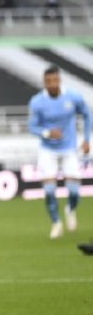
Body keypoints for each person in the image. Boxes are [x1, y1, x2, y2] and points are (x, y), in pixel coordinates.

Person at [28, 65, 90, 239]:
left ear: (60, 80)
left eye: (55, 80)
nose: (52, 84)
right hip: (48, 150)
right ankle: (56, 223)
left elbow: (87, 114)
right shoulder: (37, 102)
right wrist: (47, 133)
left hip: (69, 148)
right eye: (49, 81)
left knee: (74, 191)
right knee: (48, 191)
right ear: (44, 83)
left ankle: (70, 209)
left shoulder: (73, 97)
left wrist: (86, 139)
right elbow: (32, 127)